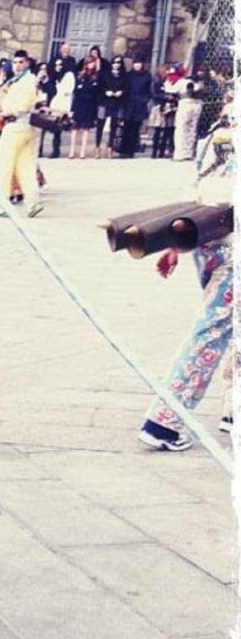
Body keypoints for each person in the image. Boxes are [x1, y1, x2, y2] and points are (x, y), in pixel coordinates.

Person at [138, 95, 234, 451]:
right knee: (212, 329)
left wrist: (176, 245)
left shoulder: (216, 134)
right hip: (233, 247)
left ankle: (232, 407)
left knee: (228, 326)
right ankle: (166, 418)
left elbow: (199, 190)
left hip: (209, 240)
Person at [0, 50, 43, 217]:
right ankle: (33, 201)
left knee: (3, 166)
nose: (17, 65)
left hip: (16, 125)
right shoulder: (21, 81)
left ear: (27, 63)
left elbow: (21, 106)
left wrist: (4, 112)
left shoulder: (26, 81)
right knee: (25, 165)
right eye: (15, 62)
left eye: (21, 62)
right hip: (27, 127)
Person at [117, 57, 152, 157]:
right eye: (136, 63)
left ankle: (131, 150)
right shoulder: (128, 75)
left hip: (140, 105)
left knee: (135, 129)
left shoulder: (146, 75)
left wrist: (144, 100)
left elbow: (148, 90)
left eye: (139, 63)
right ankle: (123, 150)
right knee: (126, 128)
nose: (137, 65)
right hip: (129, 104)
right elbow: (125, 89)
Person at [68, 61, 100, 160]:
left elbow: (97, 94)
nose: (91, 65)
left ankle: (83, 151)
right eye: (90, 63)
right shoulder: (79, 76)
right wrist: (72, 109)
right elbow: (75, 93)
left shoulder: (96, 77)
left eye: (93, 63)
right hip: (79, 105)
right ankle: (72, 150)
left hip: (90, 106)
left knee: (86, 128)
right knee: (75, 128)